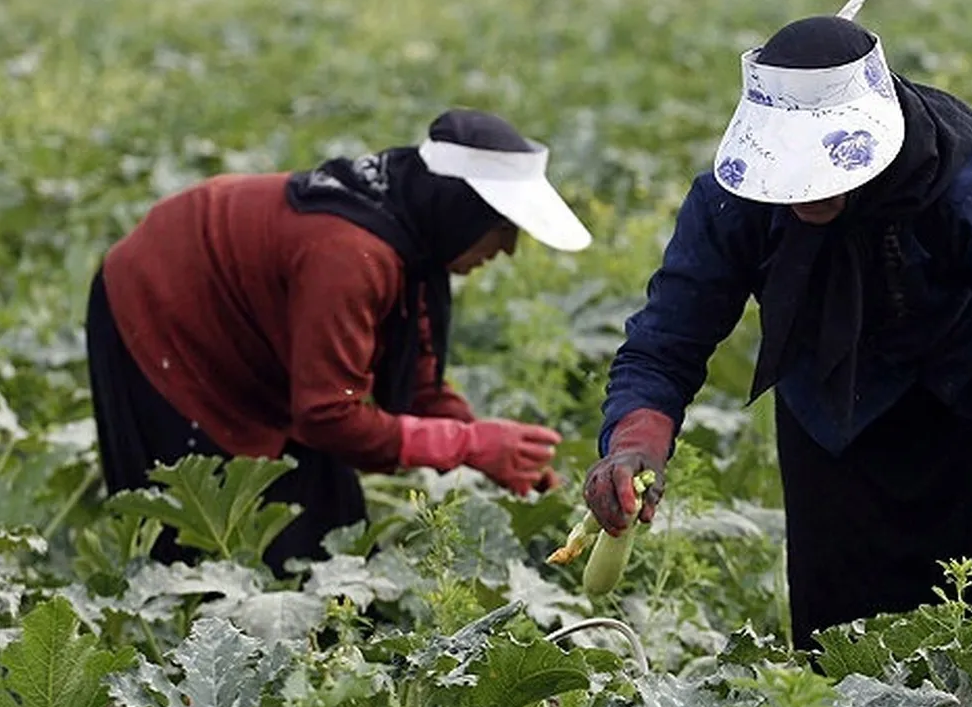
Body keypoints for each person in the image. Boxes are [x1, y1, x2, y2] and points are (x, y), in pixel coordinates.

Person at [582, 0, 972, 651]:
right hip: (832, 425)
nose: (804, 194)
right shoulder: (738, 195)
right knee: (841, 654)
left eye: (822, 172)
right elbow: (666, 343)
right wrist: (634, 444)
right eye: (790, 174)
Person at [86, 108, 592, 575]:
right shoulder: (349, 256)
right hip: (160, 306)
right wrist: (469, 446)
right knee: (198, 543)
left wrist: (491, 447)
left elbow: (417, 390)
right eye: (503, 229)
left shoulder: (409, 238)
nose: (508, 249)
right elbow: (326, 417)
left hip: (249, 337)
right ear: (462, 213)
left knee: (327, 523)